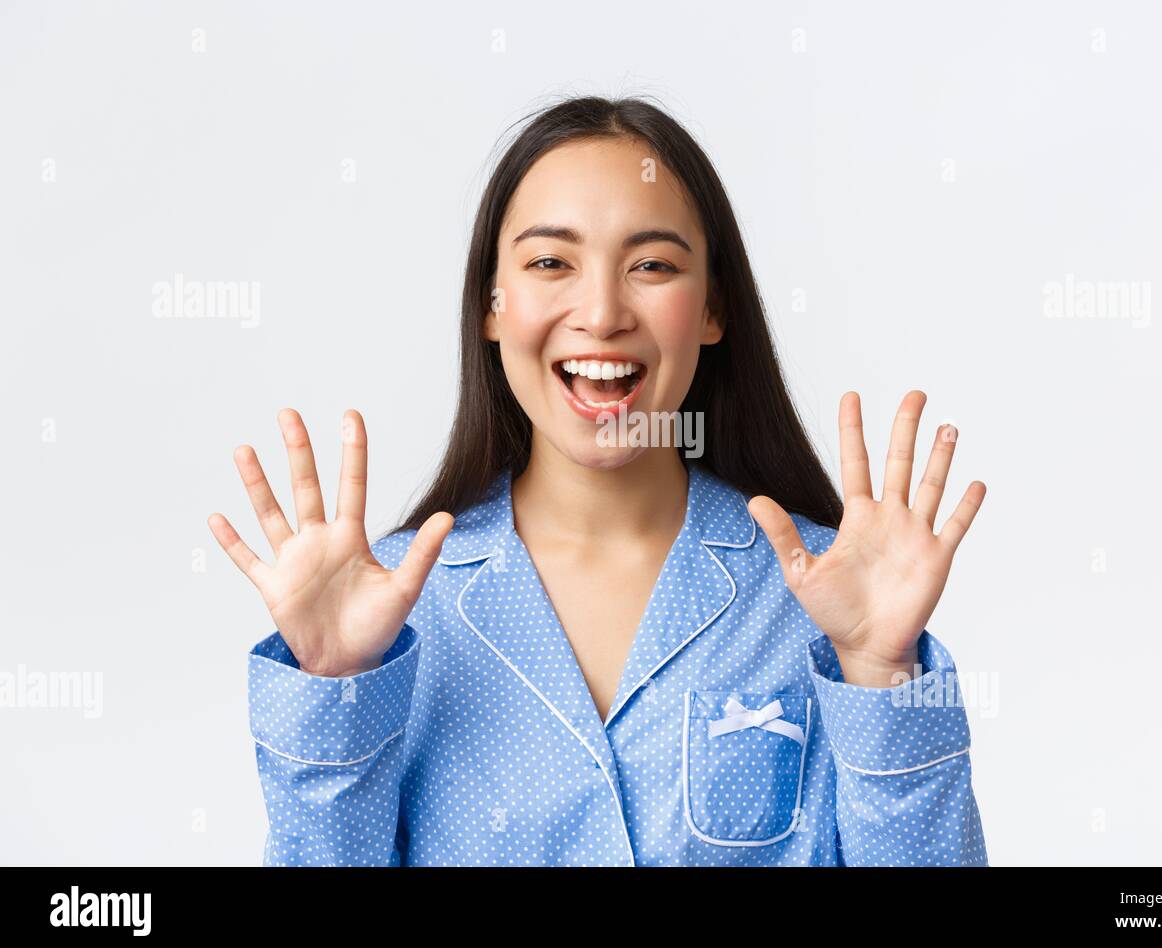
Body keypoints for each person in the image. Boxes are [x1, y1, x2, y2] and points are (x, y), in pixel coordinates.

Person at [208, 95, 989, 866]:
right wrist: (335, 690)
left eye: (652, 265)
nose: (603, 311)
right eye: (551, 263)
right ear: (491, 304)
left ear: (713, 308)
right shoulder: (392, 615)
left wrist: (883, 675)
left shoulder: (825, 599)